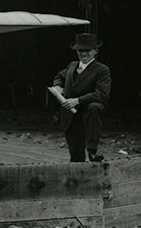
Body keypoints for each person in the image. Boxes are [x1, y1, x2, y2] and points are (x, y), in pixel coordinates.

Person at [47, 31, 110, 164]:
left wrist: (77, 101)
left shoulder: (102, 70)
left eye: (88, 50)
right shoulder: (72, 66)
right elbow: (59, 76)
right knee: (76, 158)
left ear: (95, 51)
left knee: (95, 106)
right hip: (70, 116)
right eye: (80, 50)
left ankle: (93, 151)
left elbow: (101, 94)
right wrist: (57, 86)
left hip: (87, 115)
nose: (84, 54)